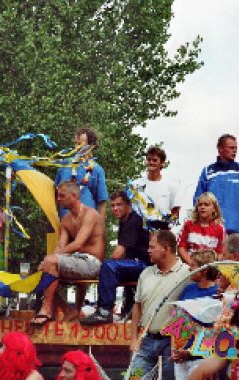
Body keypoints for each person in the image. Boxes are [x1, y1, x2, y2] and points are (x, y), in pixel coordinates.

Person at [32, 180, 105, 325]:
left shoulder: (90, 214)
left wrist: (51, 258)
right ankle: (68, 310)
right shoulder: (65, 221)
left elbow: (78, 244)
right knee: (43, 272)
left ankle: (45, 310)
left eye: (62, 196)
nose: (59, 199)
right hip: (76, 260)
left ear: (74, 196)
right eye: (58, 196)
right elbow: (60, 247)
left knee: (50, 262)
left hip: (92, 263)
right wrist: (47, 262)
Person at [130, 230, 190, 380]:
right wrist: (134, 338)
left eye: (152, 247)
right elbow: (137, 306)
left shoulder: (188, 273)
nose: (148, 250)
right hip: (145, 340)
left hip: (172, 342)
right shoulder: (145, 273)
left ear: (166, 248)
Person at [80, 191, 150, 325]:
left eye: (119, 205)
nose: (115, 208)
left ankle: (104, 312)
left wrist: (101, 268)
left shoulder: (133, 221)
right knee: (110, 268)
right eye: (112, 205)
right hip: (134, 264)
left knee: (108, 266)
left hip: (143, 265)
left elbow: (118, 253)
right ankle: (122, 309)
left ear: (128, 205)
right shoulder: (124, 221)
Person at [172, 250, 219, 380]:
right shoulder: (188, 290)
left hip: (201, 358)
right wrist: (174, 347)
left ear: (203, 270)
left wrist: (191, 352)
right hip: (181, 357)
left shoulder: (217, 294)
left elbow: (214, 331)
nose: (189, 269)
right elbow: (177, 319)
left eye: (193, 266)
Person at [193, 134, 239, 234]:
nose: (235, 151)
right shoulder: (208, 172)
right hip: (211, 230)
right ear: (220, 149)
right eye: (231, 148)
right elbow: (198, 200)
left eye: (236, 148)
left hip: (236, 230)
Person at [55, 126, 108, 220]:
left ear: (91, 145)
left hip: (87, 223)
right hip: (64, 222)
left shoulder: (97, 170)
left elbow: (102, 202)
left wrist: (100, 226)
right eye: (76, 143)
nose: (77, 147)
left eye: (80, 144)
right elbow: (55, 195)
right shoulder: (65, 165)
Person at [132, 146, 181, 229]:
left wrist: (169, 228)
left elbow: (175, 213)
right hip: (140, 230)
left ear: (162, 163)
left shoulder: (171, 185)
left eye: (155, 160)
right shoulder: (136, 184)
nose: (151, 162)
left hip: (163, 230)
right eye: (149, 159)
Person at [178, 192, 226, 267]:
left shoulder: (220, 229)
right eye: (200, 205)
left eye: (206, 204)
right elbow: (181, 247)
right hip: (189, 266)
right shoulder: (188, 224)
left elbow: (220, 253)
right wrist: (192, 264)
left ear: (214, 209)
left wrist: (210, 268)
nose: (202, 207)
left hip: (209, 268)